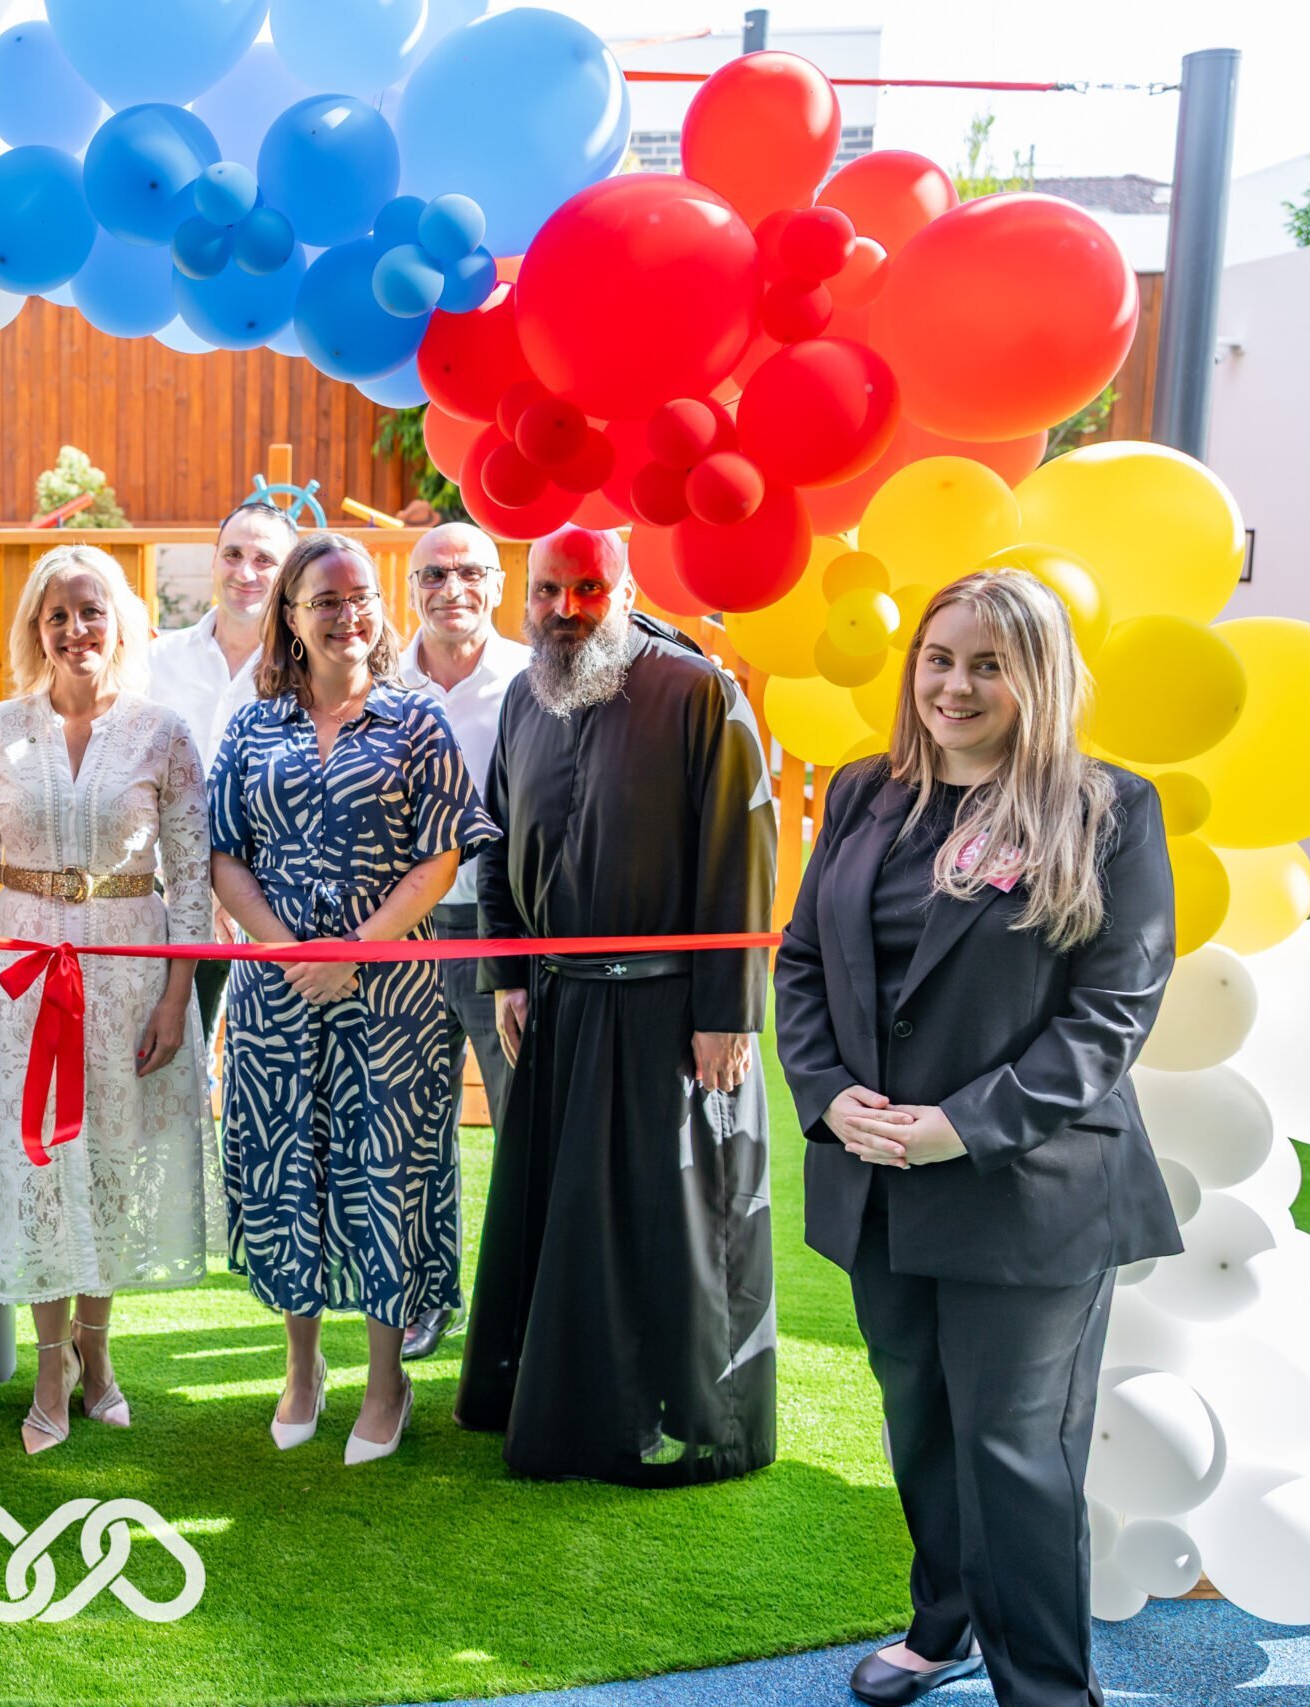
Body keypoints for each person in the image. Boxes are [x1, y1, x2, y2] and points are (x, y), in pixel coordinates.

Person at [775, 571, 1177, 1707]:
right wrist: (825, 1094)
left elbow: (1113, 1010)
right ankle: (940, 1621)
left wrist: (966, 1125)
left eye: (988, 663)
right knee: (923, 1429)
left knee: (1014, 1456)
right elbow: (802, 961)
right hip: (878, 1186)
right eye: (940, 657)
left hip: (1025, 1193)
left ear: (1034, 677)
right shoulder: (862, 796)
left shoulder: (1107, 810)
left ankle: (1046, 1693)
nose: (955, 684)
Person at [454, 525, 779, 1487]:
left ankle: (684, 1418)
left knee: (666, 1218)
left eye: (588, 588)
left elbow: (742, 855)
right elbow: (495, 840)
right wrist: (507, 973)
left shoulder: (700, 693)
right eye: (550, 589)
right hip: (556, 1004)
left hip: (672, 1019)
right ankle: (555, 1402)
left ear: (627, 588)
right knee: (561, 1216)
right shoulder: (523, 695)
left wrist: (727, 1013)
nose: (565, 610)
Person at [210, 531, 495, 1465]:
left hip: (395, 993)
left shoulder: (416, 720)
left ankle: (386, 1376)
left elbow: (441, 852)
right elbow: (223, 852)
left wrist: (355, 951)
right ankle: (301, 1367)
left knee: (387, 1172)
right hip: (276, 986)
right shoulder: (254, 725)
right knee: (284, 1164)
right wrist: (294, 951)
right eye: (325, 600)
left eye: (361, 595)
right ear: (291, 618)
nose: (349, 614)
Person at [0, 544, 212, 1454]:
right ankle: (49, 1371)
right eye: (56, 615)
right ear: (36, 630)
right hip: (23, 977)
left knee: (105, 1162)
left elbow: (191, 876)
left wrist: (178, 994)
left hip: (129, 973)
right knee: (42, 1172)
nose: (74, 630)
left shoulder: (162, 733)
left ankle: (98, 1363)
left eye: (90, 611)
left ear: (122, 622)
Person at [391, 522, 530, 1364]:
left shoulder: (530, 677)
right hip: (403, 931)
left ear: (499, 583)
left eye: (471, 571)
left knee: (520, 1116)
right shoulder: (378, 678)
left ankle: (515, 1306)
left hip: (502, 926)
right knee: (410, 1123)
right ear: (410, 586)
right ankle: (419, 1299)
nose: (453, 588)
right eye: (434, 573)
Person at [148, 500, 298, 1032]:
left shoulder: (307, 671)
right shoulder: (160, 661)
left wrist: (232, 894)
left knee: (262, 1062)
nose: (246, 572)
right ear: (214, 560)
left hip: (275, 902)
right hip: (166, 894)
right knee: (175, 1055)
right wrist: (192, 886)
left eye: (265, 559)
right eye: (232, 554)